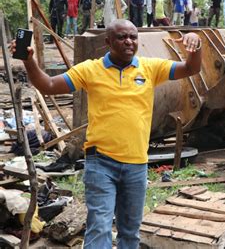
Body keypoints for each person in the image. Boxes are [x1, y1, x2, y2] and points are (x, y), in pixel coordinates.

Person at [10, 18, 202, 249]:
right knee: (99, 227)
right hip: (101, 163)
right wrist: (29, 61)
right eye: (122, 37)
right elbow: (49, 85)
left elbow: (191, 68)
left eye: (133, 37)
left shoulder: (150, 68)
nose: (129, 41)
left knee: (130, 232)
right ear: (108, 41)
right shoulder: (90, 70)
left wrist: (196, 45)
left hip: (137, 164)